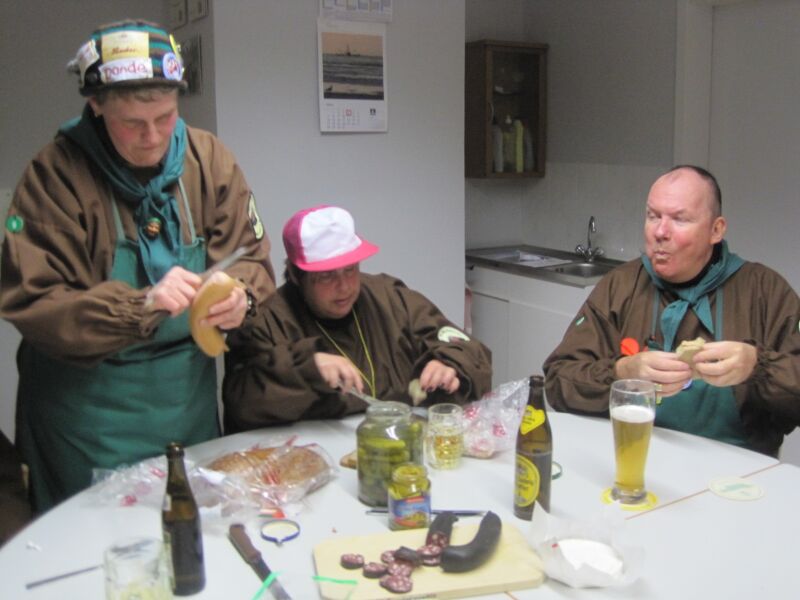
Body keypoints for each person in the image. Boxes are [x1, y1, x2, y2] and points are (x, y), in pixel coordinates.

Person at [0, 20, 275, 511]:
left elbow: (251, 258)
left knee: (188, 527)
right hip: (87, 419)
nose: (151, 138)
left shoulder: (209, 160)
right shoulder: (54, 176)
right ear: (96, 105)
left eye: (165, 118)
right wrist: (140, 305)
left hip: (185, 409)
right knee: (97, 543)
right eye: (131, 123)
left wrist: (241, 296)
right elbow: (34, 302)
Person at [543, 165, 800, 456]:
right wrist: (622, 373)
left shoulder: (764, 291)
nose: (660, 232)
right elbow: (558, 382)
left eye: (679, 219)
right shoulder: (621, 286)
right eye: (653, 216)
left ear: (716, 230)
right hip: (635, 457)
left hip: (738, 469)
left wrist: (759, 366)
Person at [223, 205, 492, 431]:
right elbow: (241, 403)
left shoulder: (390, 297)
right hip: (311, 457)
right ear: (295, 275)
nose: (344, 287)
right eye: (326, 276)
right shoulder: (266, 319)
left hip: (401, 446)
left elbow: (466, 347)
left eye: (350, 269)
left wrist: (451, 363)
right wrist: (306, 368)